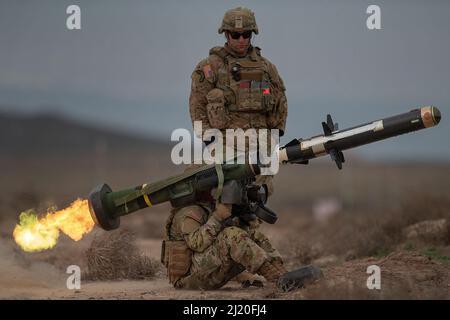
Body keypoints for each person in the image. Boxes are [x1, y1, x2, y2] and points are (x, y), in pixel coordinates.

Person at [162, 7, 320, 291]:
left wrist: (273, 140)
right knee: (225, 203)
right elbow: (197, 109)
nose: (240, 39)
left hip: (261, 146)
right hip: (226, 147)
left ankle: (247, 264)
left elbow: (280, 104)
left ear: (253, 34)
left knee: (252, 203)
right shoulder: (208, 69)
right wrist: (211, 143)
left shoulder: (267, 68)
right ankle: (232, 264)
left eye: (246, 34)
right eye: (235, 34)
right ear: (225, 34)